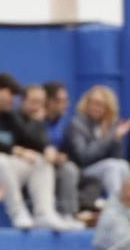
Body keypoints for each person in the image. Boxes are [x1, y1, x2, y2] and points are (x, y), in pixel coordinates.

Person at [0, 72, 71, 231]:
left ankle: (44, 213)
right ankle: (17, 212)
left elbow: (27, 137)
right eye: (11, 94)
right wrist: (17, 151)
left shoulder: (8, 116)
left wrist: (46, 149)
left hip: (6, 172)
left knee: (40, 161)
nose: (14, 99)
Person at [17, 84, 83, 227]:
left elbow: (71, 153)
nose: (66, 105)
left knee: (70, 168)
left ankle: (68, 215)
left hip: (50, 165)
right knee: (56, 167)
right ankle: (44, 213)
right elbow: (28, 141)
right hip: (28, 166)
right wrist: (37, 123)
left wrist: (60, 156)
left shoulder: (60, 123)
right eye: (62, 100)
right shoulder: (21, 119)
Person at [65, 85, 130, 200]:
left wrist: (116, 139)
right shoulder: (76, 124)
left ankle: (128, 205)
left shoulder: (110, 125)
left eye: (101, 105)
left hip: (104, 168)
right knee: (111, 166)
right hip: (81, 171)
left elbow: (118, 158)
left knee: (124, 165)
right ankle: (116, 205)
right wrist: (108, 138)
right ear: (86, 104)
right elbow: (84, 157)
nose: (96, 108)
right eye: (93, 103)